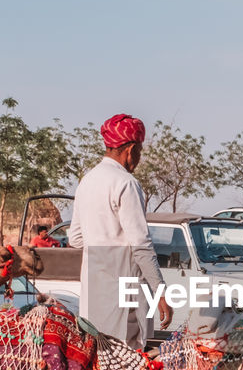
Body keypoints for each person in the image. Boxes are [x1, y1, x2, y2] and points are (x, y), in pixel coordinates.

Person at [67, 113, 172, 347]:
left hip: (93, 297)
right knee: (127, 366)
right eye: (140, 152)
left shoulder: (87, 181)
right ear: (130, 149)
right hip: (124, 298)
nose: (139, 158)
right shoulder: (125, 183)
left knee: (98, 362)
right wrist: (161, 293)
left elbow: (75, 238)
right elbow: (141, 246)